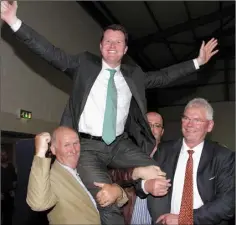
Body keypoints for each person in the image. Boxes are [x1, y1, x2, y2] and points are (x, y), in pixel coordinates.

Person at [1, 2, 219, 224]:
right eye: (107, 41)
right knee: (106, 200)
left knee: (159, 174)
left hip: (119, 145)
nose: (112, 45)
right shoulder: (84, 65)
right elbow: (50, 52)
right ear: (100, 46)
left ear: (125, 49)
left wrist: (198, 62)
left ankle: (163, 218)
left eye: (118, 42)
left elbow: (163, 76)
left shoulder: (134, 75)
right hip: (87, 147)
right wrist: (13, 21)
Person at [134, 98, 235, 225]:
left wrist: (185, 218)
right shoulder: (163, 151)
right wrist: (146, 186)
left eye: (197, 120)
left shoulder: (223, 156)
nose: (189, 124)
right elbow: (138, 185)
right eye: (186, 118)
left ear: (209, 126)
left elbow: (228, 203)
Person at [27, 126, 129, 225]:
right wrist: (40, 153)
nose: (73, 150)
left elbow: (115, 199)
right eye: (67, 145)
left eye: (76, 143)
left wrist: (117, 192)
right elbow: (38, 204)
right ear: (53, 149)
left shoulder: (86, 167)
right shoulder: (51, 177)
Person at [110, 112, 165, 225]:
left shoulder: (170, 157)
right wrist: (135, 173)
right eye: (148, 125)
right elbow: (111, 176)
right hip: (127, 219)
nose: (152, 129)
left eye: (157, 125)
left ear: (162, 132)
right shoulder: (125, 152)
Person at [1, 148, 17, 225]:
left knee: (8, 216)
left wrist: (13, 190)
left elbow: (14, 180)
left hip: (9, 195)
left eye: (4, 154)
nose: (3, 156)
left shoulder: (11, 166)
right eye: (1, 155)